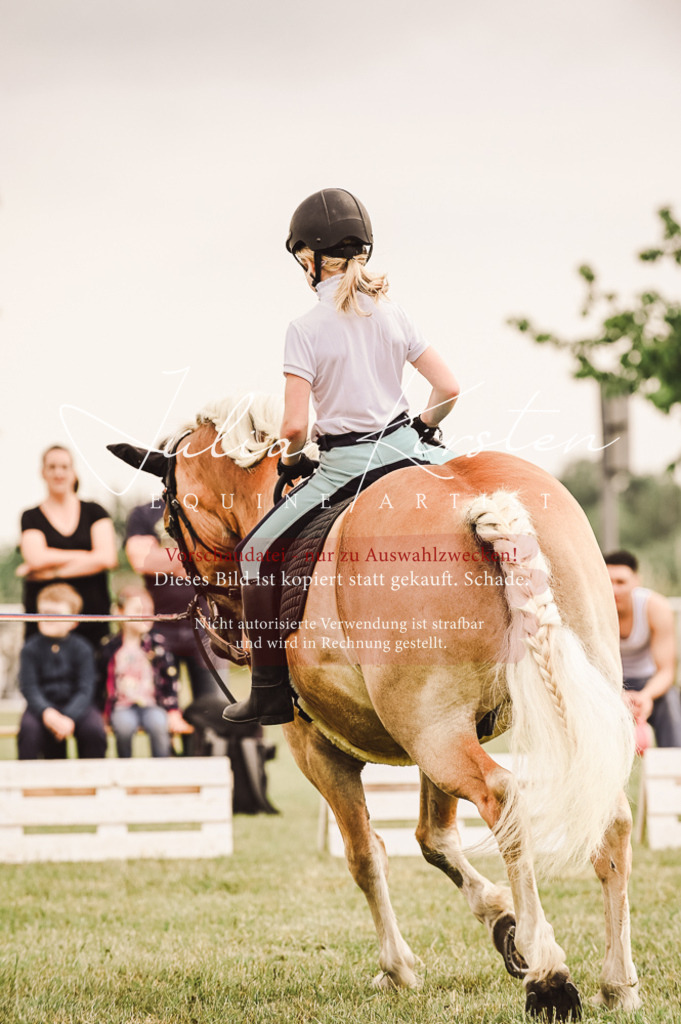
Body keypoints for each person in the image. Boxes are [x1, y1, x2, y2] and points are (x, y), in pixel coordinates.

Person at [223, 188, 459, 727]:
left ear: (310, 258)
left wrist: (290, 462)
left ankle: (268, 691)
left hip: (346, 468)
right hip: (409, 450)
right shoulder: (394, 313)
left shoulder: (305, 329)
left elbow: (293, 427)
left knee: (254, 554)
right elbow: (448, 388)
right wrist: (422, 430)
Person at [18, 445, 118, 655]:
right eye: (52, 467)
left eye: (64, 466)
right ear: (42, 472)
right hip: (45, 624)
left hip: (92, 621)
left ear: (74, 472)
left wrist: (52, 571)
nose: (58, 473)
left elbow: (108, 558)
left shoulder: (95, 511)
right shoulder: (30, 516)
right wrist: (89, 557)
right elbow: (36, 559)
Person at [124, 500, 223, 701]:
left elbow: (221, 558)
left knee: (214, 708)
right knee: (163, 708)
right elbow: (141, 561)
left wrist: (163, 558)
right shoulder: (144, 513)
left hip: (208, 626)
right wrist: (194, 556)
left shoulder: (212, 508)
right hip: (159, 628)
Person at [17, 583, 107, 759]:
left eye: (55, 614)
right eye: (43, 612)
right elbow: (29, 687)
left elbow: (86, 689)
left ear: (74, 621)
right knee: (29, 730)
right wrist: (48, 714)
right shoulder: (30, 649)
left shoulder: (83, 648)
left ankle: (93, 773)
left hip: (78, 705)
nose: (48, 618)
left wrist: (68, 717)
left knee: (94, 729)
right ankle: (29, 775)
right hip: (42, 706)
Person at [100, 586, 189, 758]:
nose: (145, 616)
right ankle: (127, 769)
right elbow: (101, 681)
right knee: (124, 727)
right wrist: (103, 713)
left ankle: (162, 768)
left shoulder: (157, 645)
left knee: (158, 724)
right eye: (138, 610)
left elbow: (170, 680)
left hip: (151, 705)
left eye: (149, 611)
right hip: (122, 707)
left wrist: (172, 710)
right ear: (119, 612)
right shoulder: (110, 647)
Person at [605, 550, 681, 747]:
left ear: (636, 581)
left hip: (647, 682)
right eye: (608, 581)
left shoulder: (656, 608)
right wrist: (615, 694)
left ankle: (674, 761)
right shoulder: (592, 611)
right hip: (608, 682)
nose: (614, 589)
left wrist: (645, 696)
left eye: (621, 582)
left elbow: (666, 671)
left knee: (670, 700)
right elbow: (589, 667)